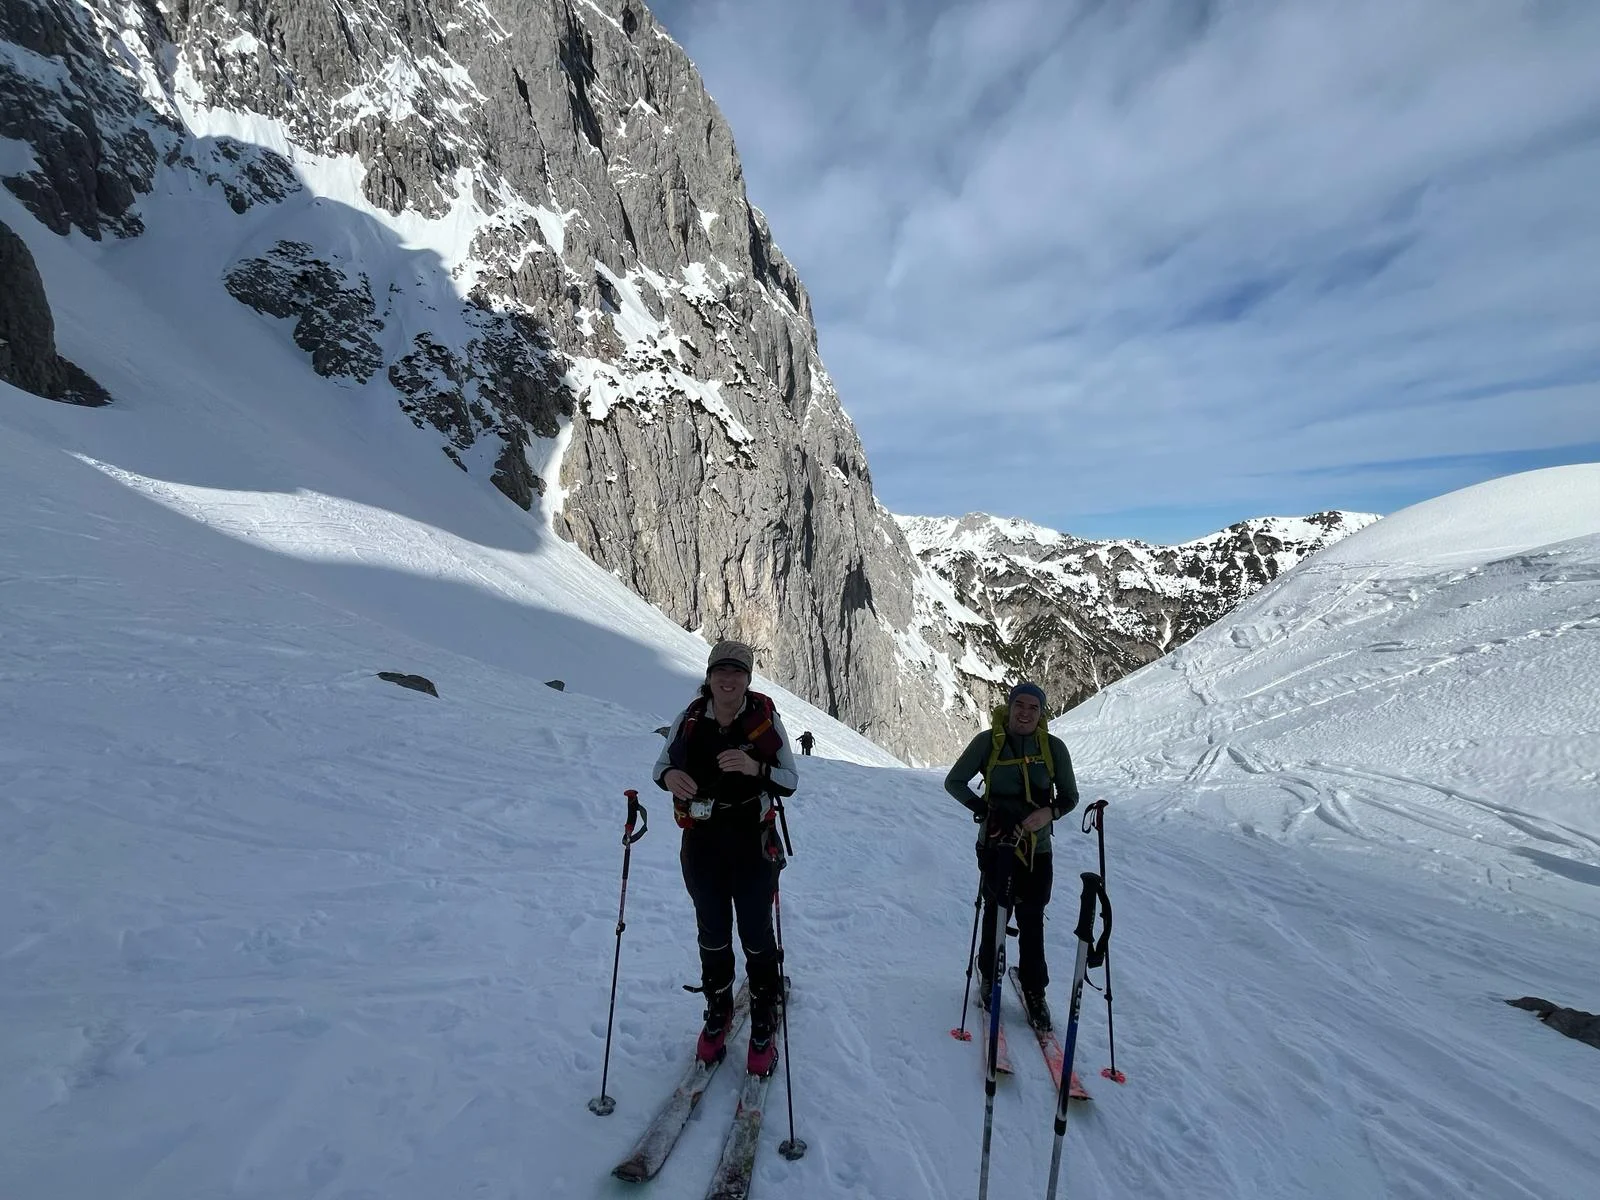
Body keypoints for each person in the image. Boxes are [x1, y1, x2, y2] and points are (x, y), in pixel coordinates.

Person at [654, 640, 799, 1075]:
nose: (729, 679)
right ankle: (718, 1012)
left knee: (756, 932)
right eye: (722, 671)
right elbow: (660, 767)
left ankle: (763, 1017)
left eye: (738, 672)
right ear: (710, 675)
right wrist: (671, 775)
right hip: (702, 842)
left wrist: (755, 769)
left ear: (748, 679)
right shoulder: (691, 718)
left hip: (752, 842)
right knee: (712, 931)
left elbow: (789, 780)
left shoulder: (762, 721)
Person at [944, 681, 1079, 1031]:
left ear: (1042, 713)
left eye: (1034, 708)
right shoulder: (989, 741)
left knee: (1032, 917)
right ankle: (990, 975)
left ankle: (1035, 991)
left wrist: (1048, 814)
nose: (1025, 712)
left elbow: (1069, 796)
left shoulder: (1053, 748)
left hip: (1038, 849)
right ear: (1009, 706)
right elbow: (954, 781)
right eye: (1020, 704)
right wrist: (985, 810)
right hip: (996, 844)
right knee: (996, 910)